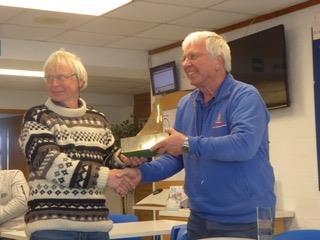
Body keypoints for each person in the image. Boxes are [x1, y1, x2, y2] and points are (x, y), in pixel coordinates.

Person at [122, 31, 276, 239]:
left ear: (218, 61)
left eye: (193, 56)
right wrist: (142, 173)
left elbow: (243, 145)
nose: (186, 64)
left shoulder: (245, 96)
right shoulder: (187, 104)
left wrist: (186, 143)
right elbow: (177, 156)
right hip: (200, 218)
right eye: (184, 58)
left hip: (246, 218)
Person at [19, 49, 141, 240]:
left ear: (80, 80)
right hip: (52, 226)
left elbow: (108, 158)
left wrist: (126, 160)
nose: (53, 83)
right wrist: (107, 177)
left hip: (96, 225)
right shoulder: (37, 116)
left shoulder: (99, 119)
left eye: (60, 77)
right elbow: (50, 164)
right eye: (48, 78)